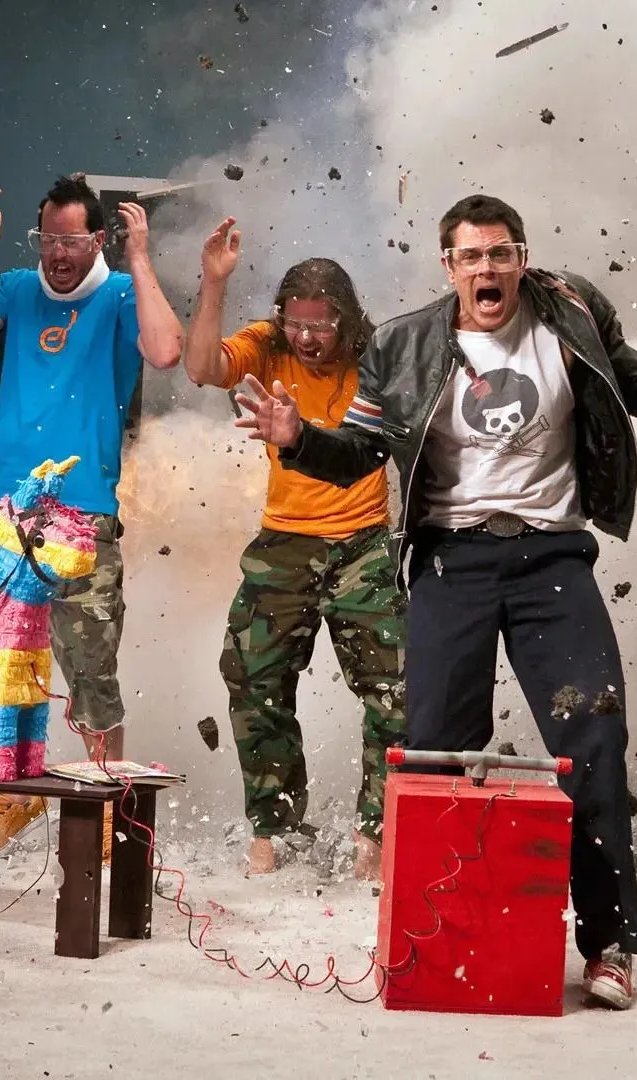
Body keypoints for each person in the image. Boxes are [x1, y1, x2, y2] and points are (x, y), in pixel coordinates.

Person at [234, 193, 637, 1009]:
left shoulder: (574, 311)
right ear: (448, 266)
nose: (488, 268)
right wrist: (298, 438)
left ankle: (610, 946)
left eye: (501, 253)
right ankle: (437, 935)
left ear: (522, 258)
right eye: (472, 256)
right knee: (435, 753)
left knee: (593, 739)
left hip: (553, 559)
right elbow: (361, 453)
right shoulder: (405, 343)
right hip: (454, 561)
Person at [0, 174, 184, 856]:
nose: (57, 253)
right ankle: (14, 793)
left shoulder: (121, 294)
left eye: (71, 240)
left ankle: (106, 803)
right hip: (1, 499)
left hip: (81, 508)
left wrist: (139, 258)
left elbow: (165, 351)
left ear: (97, 239)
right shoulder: (17, 288)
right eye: (47, 239)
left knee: (89, 661)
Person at [184, 221, 404, 879]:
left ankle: (376, 833)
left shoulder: (379, 355)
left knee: (395, 691)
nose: (306, 338)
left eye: (321, 326)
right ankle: (275, 827)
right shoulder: (268, 342)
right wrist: (214, 282)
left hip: (365, 540)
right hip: (285, 541)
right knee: (252, 674)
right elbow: (202, 368)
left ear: (347, 321)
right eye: (296, 323)